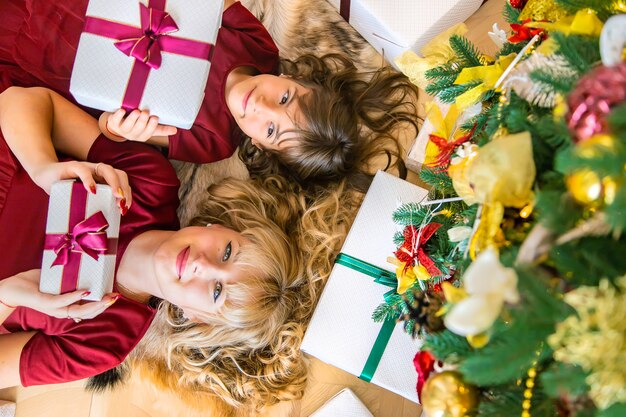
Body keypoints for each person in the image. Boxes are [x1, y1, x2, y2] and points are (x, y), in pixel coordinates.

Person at [0, 82, 311, 400]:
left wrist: (7, 296)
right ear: (220, 227)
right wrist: (42, 167)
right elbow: (20, 100)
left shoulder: (103, 343)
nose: (202, 265)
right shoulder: (149, 183)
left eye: (216, 290)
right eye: (227, 252)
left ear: (196, 317)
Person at [0, 0, 420, 187]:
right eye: (287, 98)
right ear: (300, 80)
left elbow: (109, 131)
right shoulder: (258, 47)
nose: (262, 106)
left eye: (272, 130)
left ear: (261, 146)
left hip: (58, 51)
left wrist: (120, 127)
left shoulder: (212, 141)